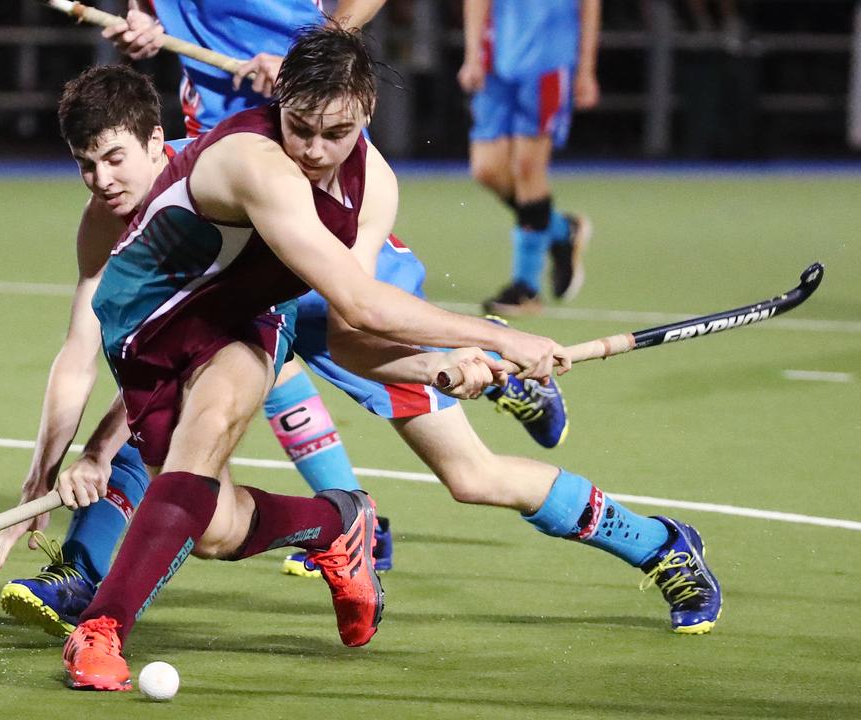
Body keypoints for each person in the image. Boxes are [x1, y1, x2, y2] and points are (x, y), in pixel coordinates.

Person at [56, 24, 599, 691]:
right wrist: (498, 337)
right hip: (145, 324)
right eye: (300, 126)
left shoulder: (374, 189)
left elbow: (346, 334)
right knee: (214, 529)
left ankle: (102, 630)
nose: (314, 150)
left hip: (242, 321)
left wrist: (437, 370)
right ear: (278, 105)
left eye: (335, 132)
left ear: (365, 114)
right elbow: (362, 302)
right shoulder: (257, 165)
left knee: (206, 435)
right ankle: (336, 521)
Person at [460, 0, 601, 315]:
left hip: (548, 59)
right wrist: (472, 55)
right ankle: (561, 230)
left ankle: (526, 288)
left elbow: (589, 6)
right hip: (496, 60)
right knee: (486, 169)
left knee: (528, 169)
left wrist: (586, 68)